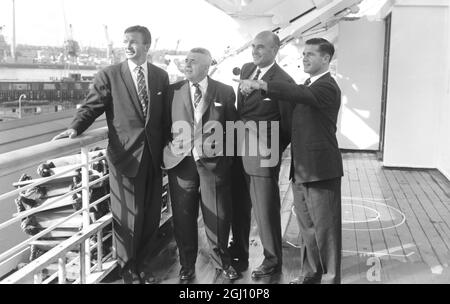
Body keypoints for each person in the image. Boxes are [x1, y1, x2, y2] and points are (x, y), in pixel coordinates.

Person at [53, 25, 170, 284]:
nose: (127, 46)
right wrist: (75, 128)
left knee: (151, 215)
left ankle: (144, 262)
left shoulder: (161, 77)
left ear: (147, 46)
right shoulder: (110, 75)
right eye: (125, 41)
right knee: (128, 216)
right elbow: (91, 106)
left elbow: (166, 117)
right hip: (126, 157)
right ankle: (128, 269)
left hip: (154, 157)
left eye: (133, 42)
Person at [238, 38, 343, 284]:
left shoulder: (326, 86)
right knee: (307, 227)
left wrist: (261, 84)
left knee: (325, 231)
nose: (304, 58)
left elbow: (297, 93)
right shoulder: (309, 83)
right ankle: (310, 274)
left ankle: (330, 279)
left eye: (311, 55)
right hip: (302, 170)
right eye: (303, 54)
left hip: (321, 171)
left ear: (326, 59)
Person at [163, 48, 239, 281]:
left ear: (207, 66)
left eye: (193, 62)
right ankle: (187, 265)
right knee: (183, 218)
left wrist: (225, 160)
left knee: (218, 216)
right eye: (186, 61)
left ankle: (221, 262)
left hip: (214, 165)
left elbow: (233, 128)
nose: (187, 65)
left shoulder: (224, 91)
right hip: (181, 165)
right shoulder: (172, 91)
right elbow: (163, 126)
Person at [229, 30, 294, 279]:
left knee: (265, 210)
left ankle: (272, 260)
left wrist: (271, 153)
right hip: (237, 149)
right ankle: (240, 253)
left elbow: (287, 126)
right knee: (239, 206)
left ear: (275, 51)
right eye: (253, 46)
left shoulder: (283, 82)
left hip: (263, 154)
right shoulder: (247, 70)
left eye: (261, 48)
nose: (255, 51)